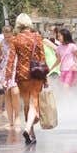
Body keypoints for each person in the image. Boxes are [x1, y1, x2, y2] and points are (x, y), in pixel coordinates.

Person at [9, 13, 49, 145]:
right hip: (36, 74)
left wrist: (8, 77)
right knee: (34, 104)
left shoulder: (15, 39)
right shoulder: (37, 37)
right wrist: (46, 76)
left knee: (27, 104)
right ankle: (27, 129)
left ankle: (32, 133)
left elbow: (11, 59)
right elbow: (42, 57)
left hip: (22, 75)